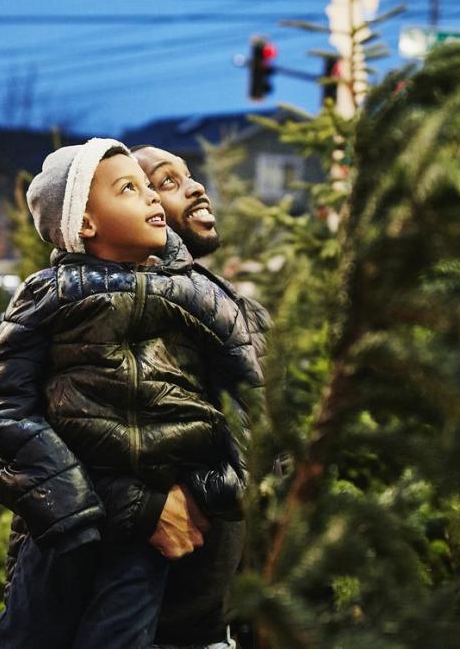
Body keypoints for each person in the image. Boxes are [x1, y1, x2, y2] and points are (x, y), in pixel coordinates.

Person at [0, 138, 263, 649]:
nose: (166, 194)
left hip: (204, 614)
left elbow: (260, 424)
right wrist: (140, 507)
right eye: (149, 185)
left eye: (165, 183)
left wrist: (206, 489)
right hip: (88, 546)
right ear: (85, 222)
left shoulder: (219, 306)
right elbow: (0, 427)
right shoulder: (56, 294)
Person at [132, 145, 270, 649]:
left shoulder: (239, 309)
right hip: (163, 622)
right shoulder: (118, 306)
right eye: (167, 182)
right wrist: (144, 506)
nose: (196, 187)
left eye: (190, 176)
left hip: (237, 613)